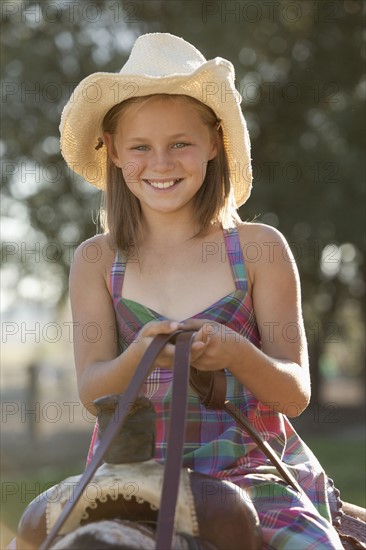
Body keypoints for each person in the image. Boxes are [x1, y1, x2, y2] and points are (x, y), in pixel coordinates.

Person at [61, 33, 343, 548]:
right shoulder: (97, 261)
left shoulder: (259, 250)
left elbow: (294, 394)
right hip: (130, 473)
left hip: (250, 468)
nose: (161, 163)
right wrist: (142, 355)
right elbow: (92, 389)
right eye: (141, 147)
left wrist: (235, 352)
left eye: (180, 144)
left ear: (213, 142)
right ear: (115, 152)